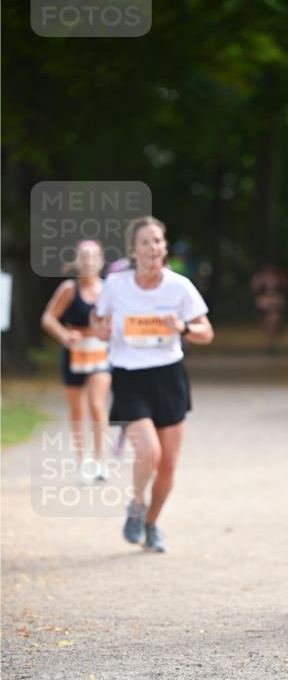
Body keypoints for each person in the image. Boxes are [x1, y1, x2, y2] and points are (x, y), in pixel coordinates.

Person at [91, 216, 214, 552]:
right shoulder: (116, 285)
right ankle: (135, 504)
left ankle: (151, 524)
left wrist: (182, 327)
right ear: (133, 250)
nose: (153, 248)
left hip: (169, 376)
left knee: (169, 463)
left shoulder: (179, 286)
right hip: (130, 377)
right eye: (145, 242)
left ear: (165, 246)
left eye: (158, 241)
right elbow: (97, 319)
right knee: (150, 452)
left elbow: (206, 332)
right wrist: (101, 329)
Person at [40, 239, 111, 481]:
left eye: (93, 257)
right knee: (77, 409)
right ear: (77, 262)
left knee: (97, 404)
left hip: (100, 352)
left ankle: (101, 460)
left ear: (101, 261)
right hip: (74, 353)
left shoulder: (108, 289)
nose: (89, 261)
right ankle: (83, 460)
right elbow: (48, 318)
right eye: (84, 257)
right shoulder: (69, 290)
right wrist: (64, 335)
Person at [251, 265, 288, 353]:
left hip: (276, 302)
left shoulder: (279, 277)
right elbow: (255, 290)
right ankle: (269, 343)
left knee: (273, 321)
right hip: (264, 303)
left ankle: (272, 342)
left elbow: (285, 289)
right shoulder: (259, 278)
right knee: (267, 324)